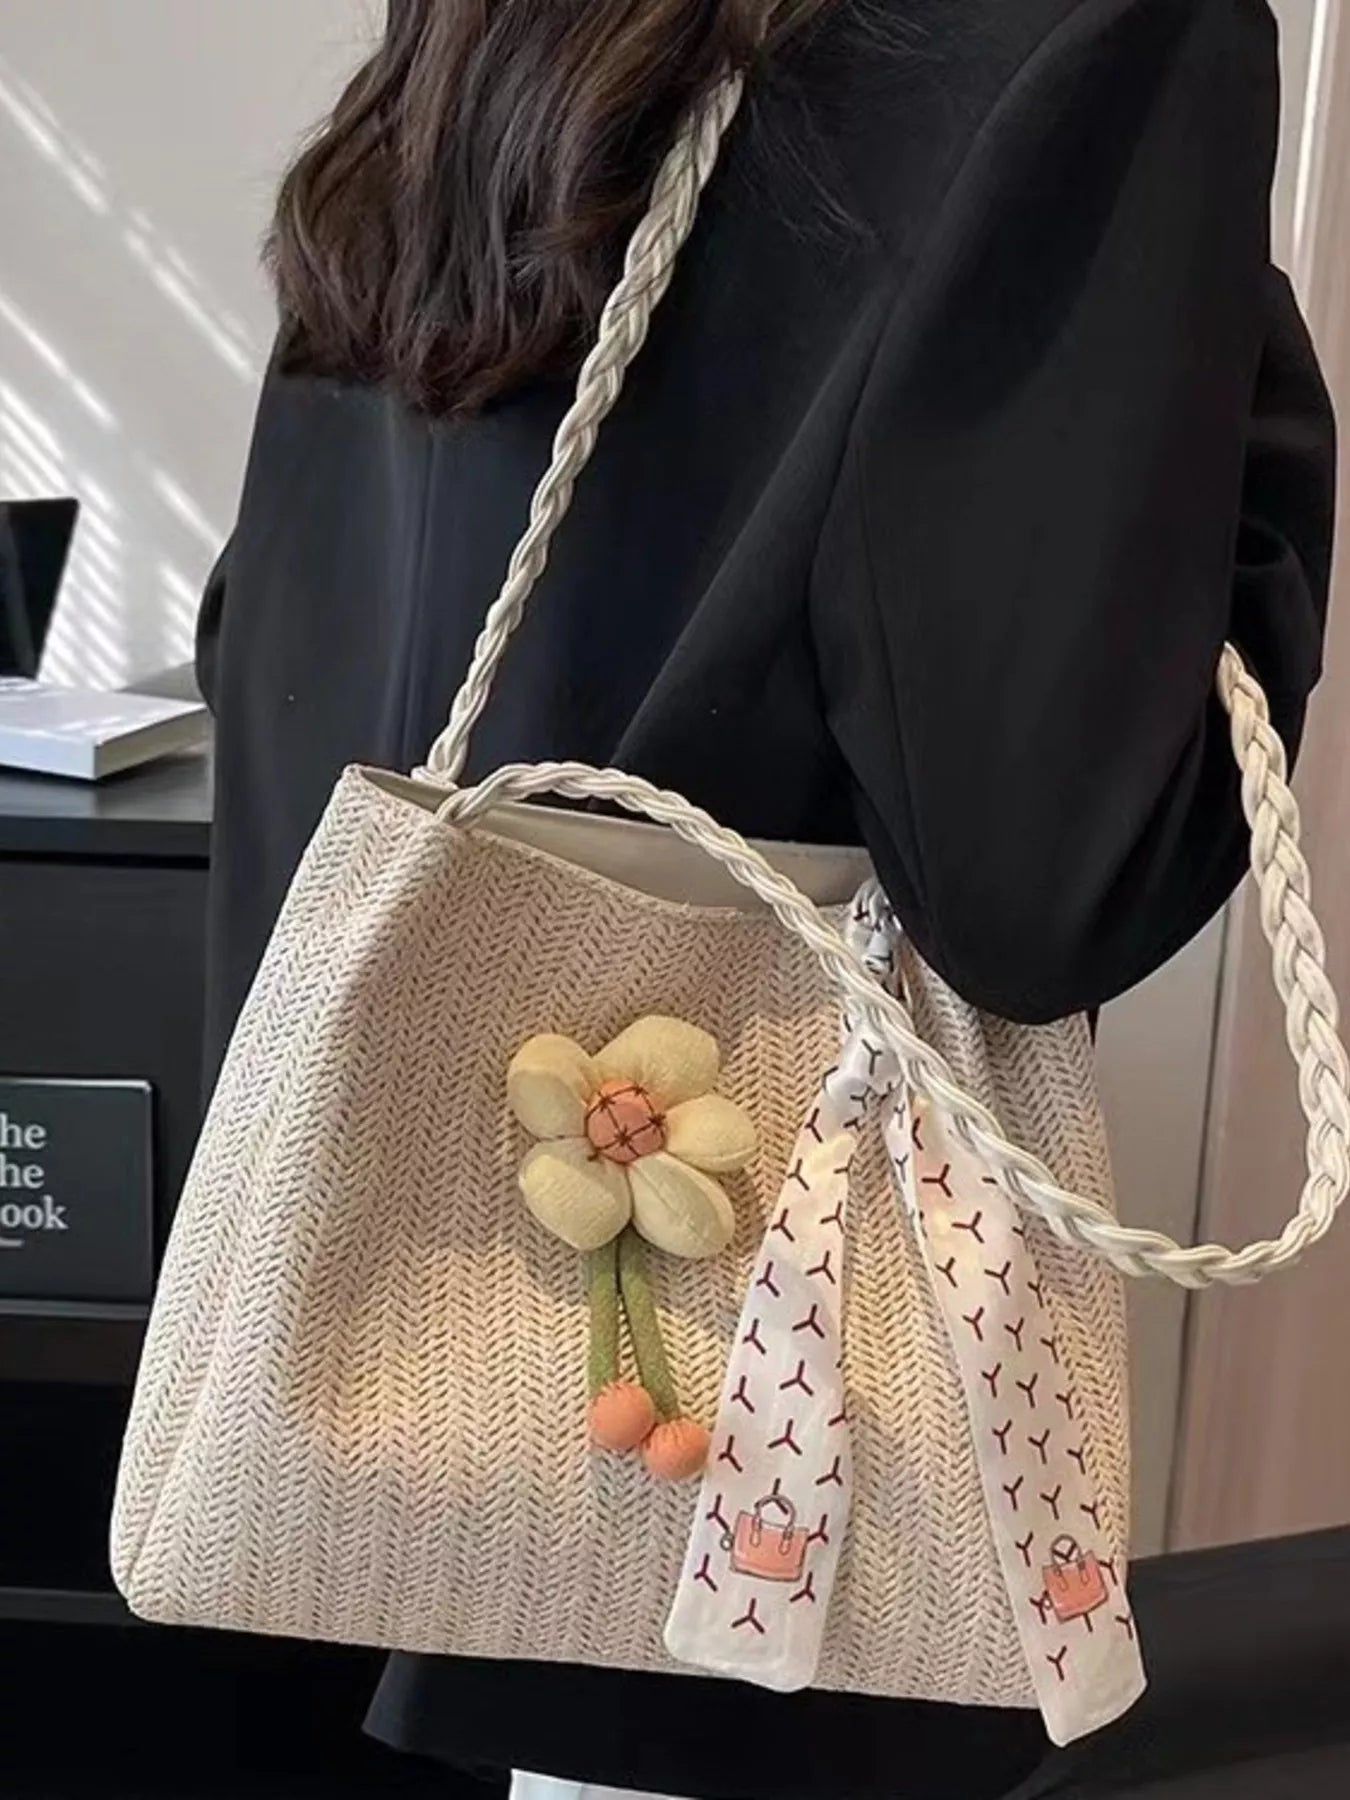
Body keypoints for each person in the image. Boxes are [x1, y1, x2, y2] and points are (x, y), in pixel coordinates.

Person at [196, 1, 1335, 1797]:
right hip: (766, 1473)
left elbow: (285, 622)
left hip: (410, 1299)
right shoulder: (1094, 37)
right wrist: (1251, 429)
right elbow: (1040, 888)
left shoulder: (506, 28)